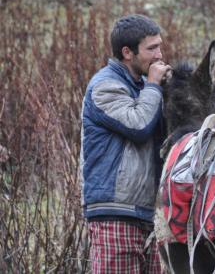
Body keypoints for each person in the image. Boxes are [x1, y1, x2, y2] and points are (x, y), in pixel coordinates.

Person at [80, 14, 171, 273]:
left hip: (147, 214)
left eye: (160, 46)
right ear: (127, 52)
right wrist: (153, 86)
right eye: (152, 48)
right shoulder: (105, 86)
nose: (159, 55)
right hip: (114, 212)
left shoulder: (143, 87)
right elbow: (138, 125)